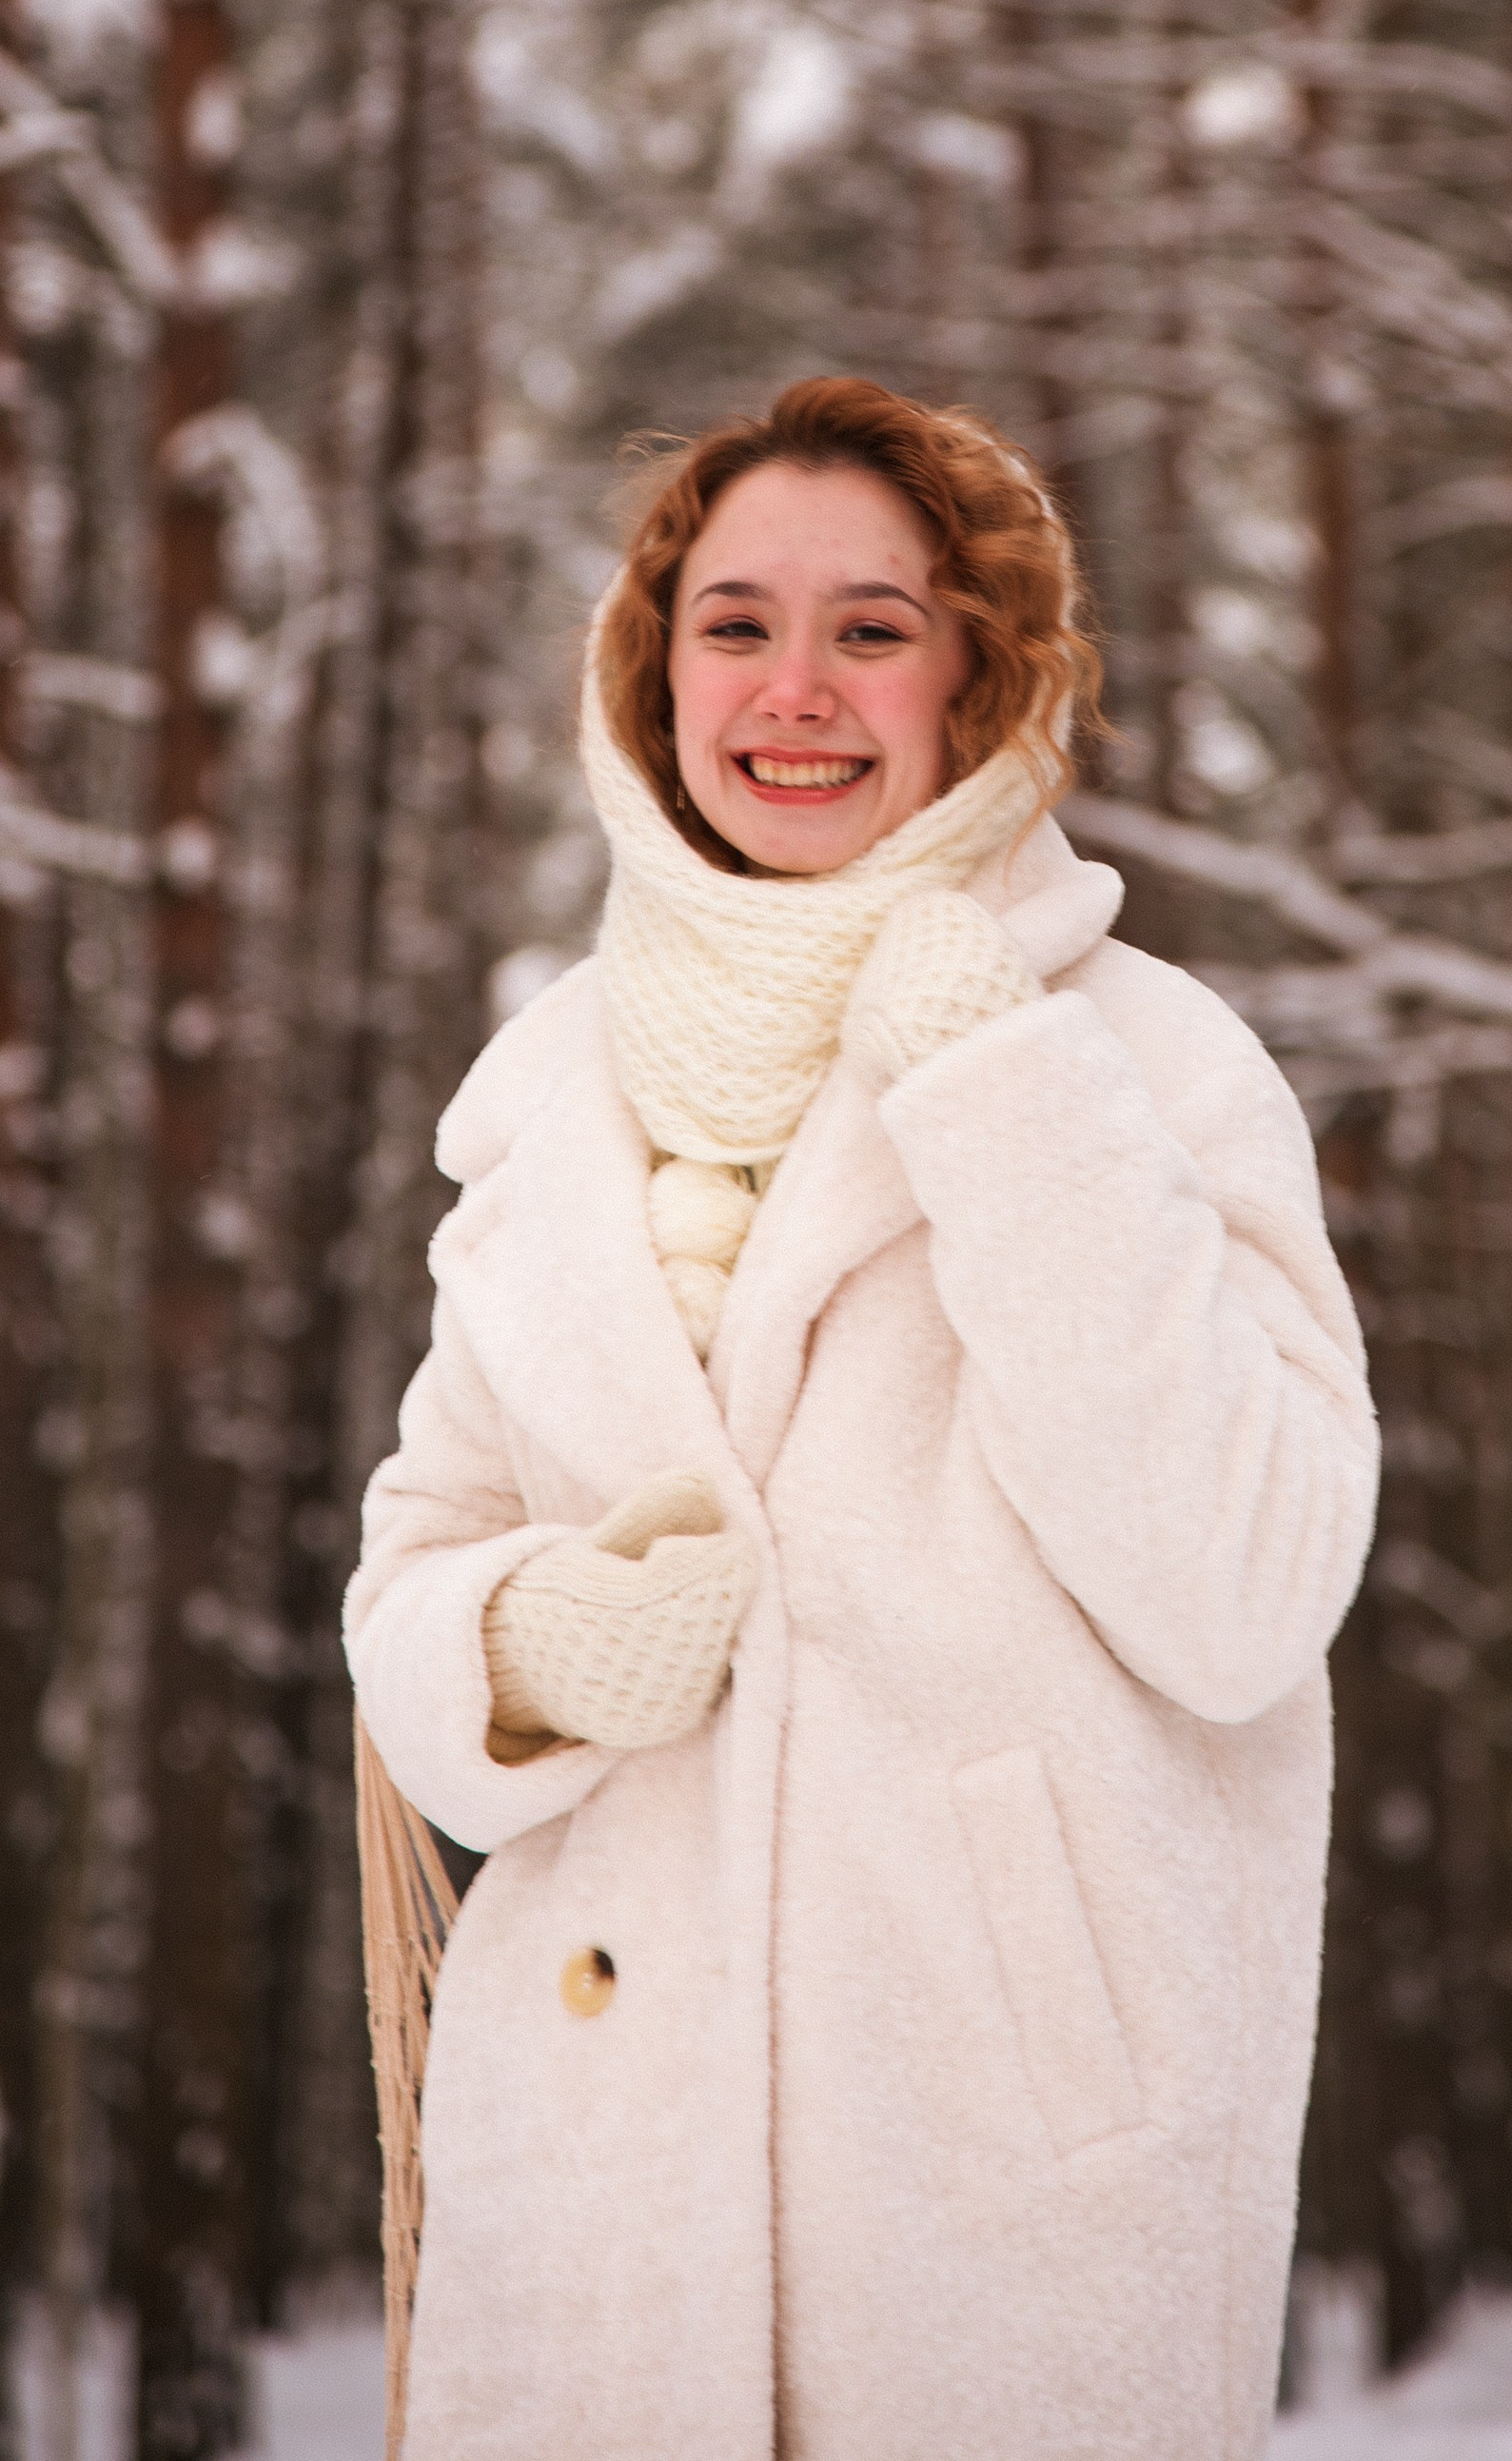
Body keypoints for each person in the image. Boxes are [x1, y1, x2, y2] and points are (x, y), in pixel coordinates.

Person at [344, 375, 1379, 2461]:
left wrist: (997, 1096)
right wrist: (522, 1648)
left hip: (997, 2167)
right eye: (732, 622)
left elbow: (1251, 1586)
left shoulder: (1145, 1058)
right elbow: (412, 1561)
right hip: (597, 2177)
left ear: (978, 673)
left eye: (870, 626)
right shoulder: (549, 1090)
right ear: (654, 674)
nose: (792, 687)